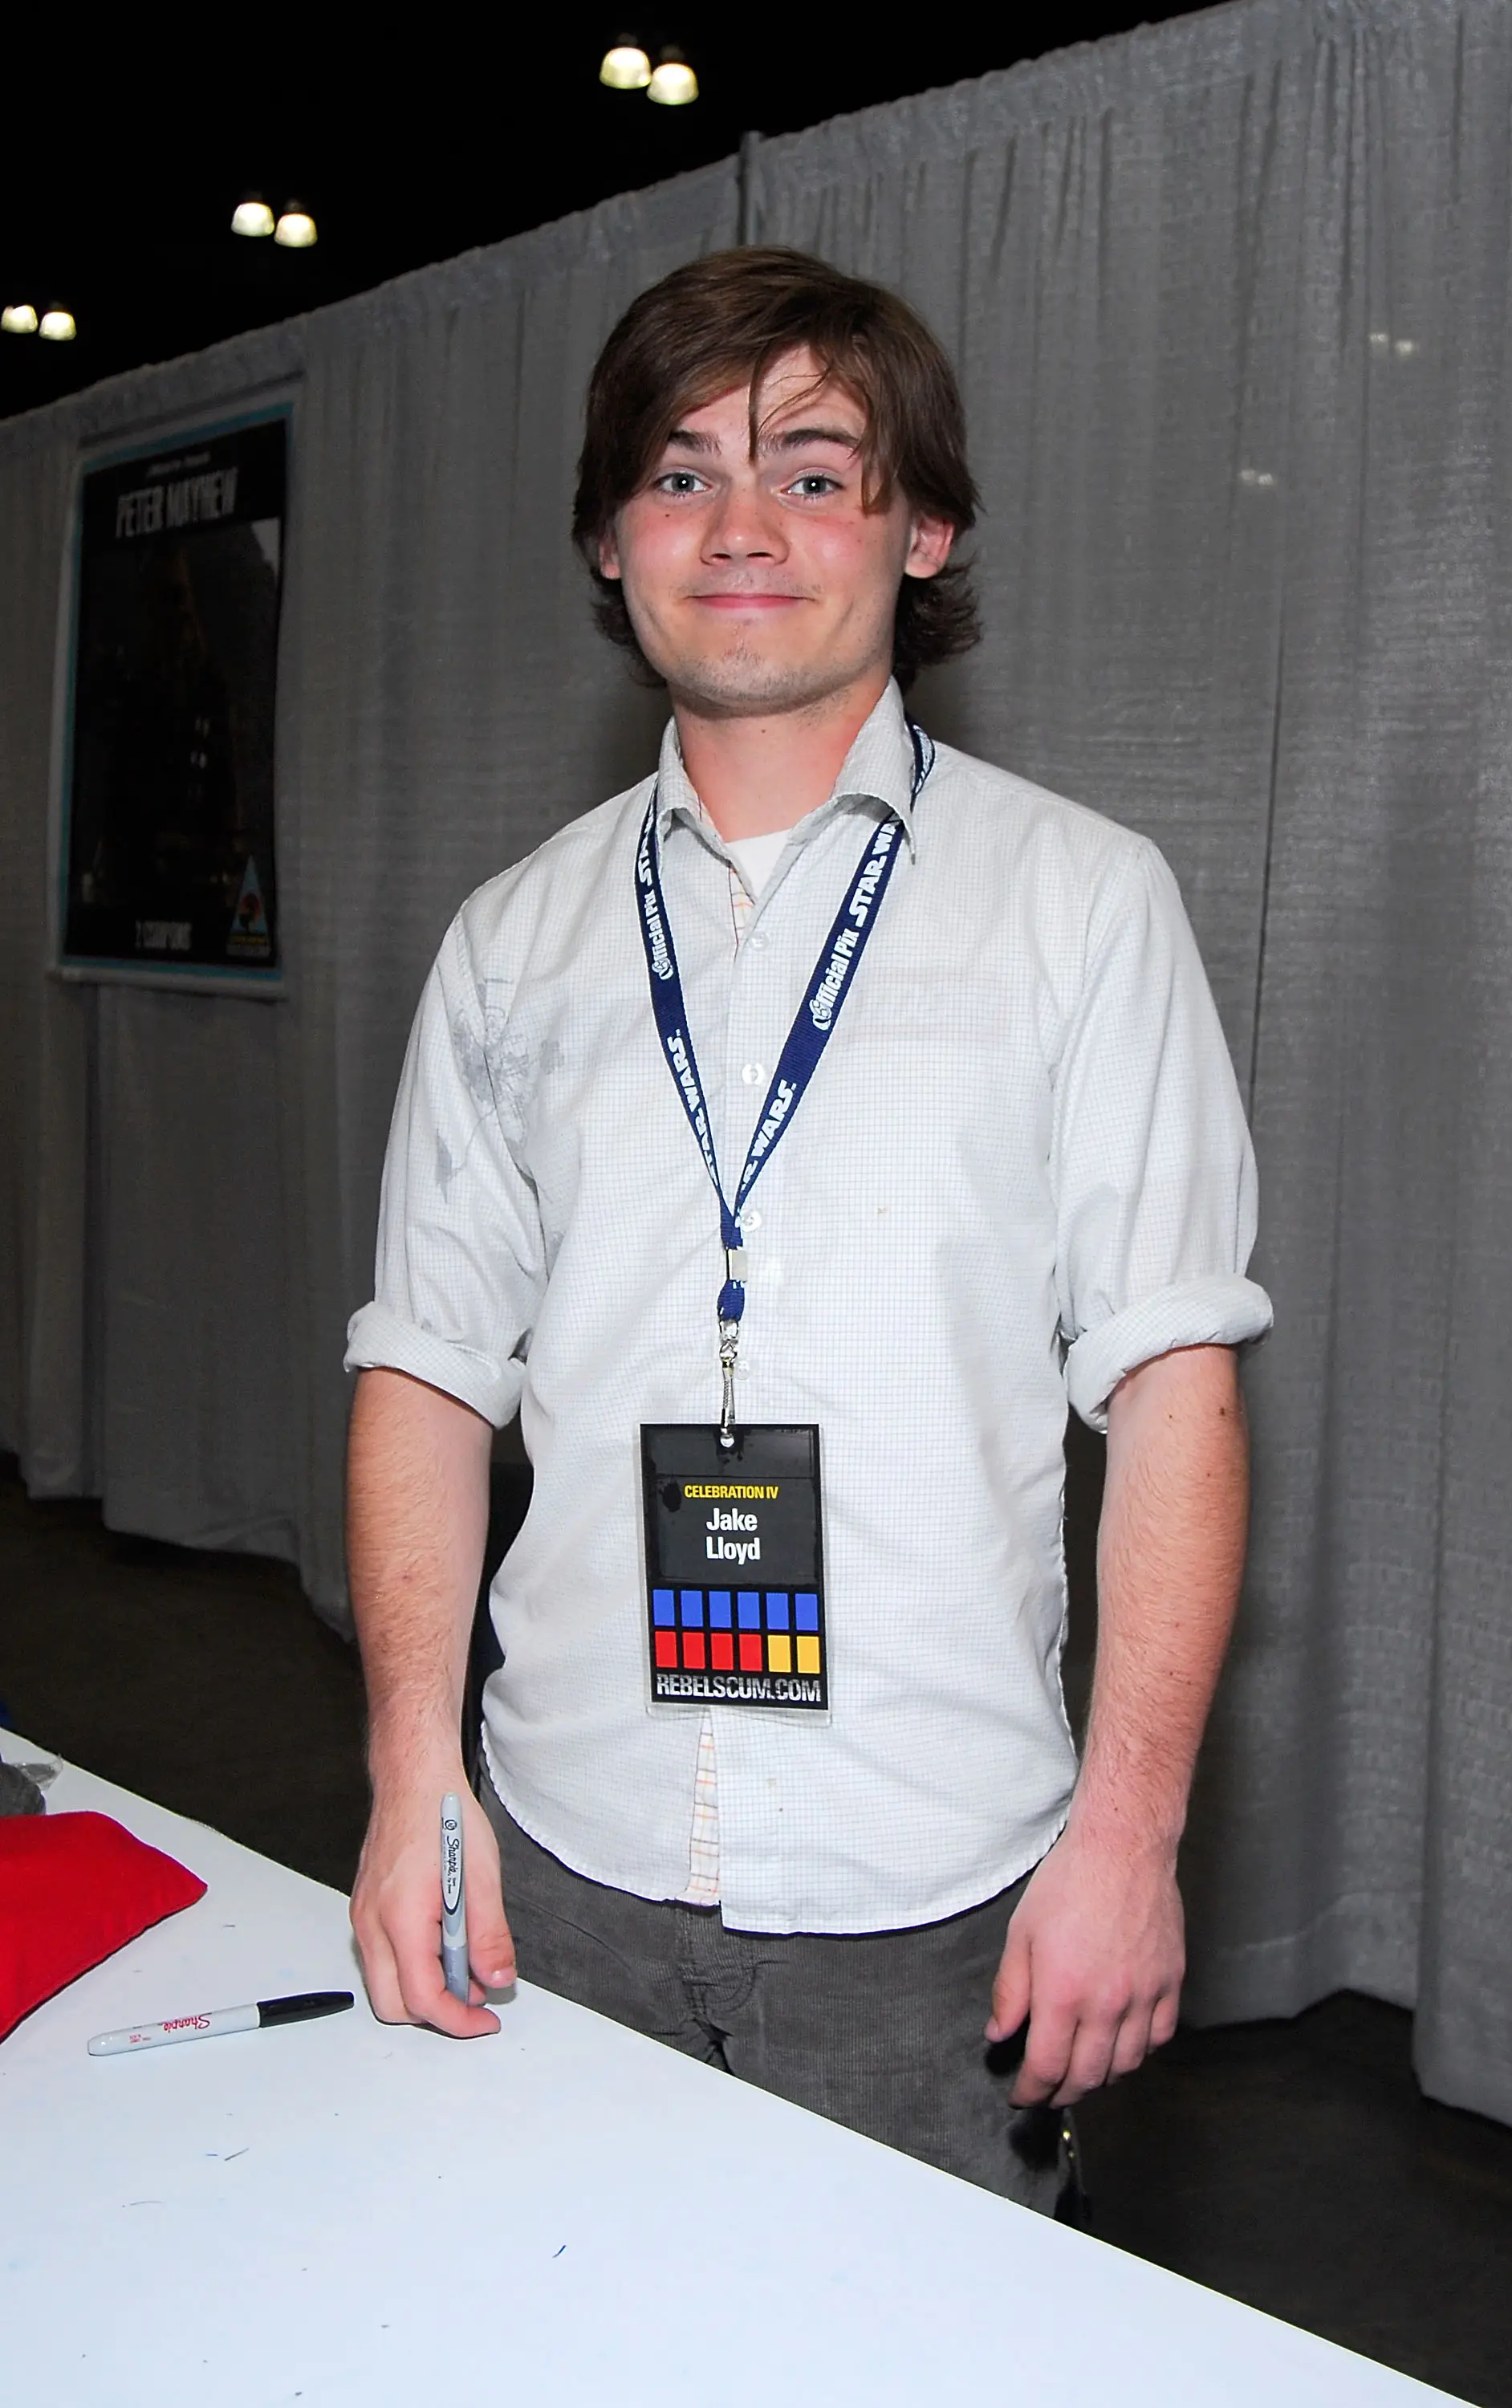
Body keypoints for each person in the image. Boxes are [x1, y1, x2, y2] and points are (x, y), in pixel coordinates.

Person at [343, 247, 1272, 2214]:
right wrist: (410, 1776)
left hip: (932, 1902)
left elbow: (1171, 1391)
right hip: (554, 1861)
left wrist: (1125, 1837)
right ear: (609, 541)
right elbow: (426, 1369)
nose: (741, 527)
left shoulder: (1078, 909)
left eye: (815, 471)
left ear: (921, 529)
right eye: (679, 476)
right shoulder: (510, 943)